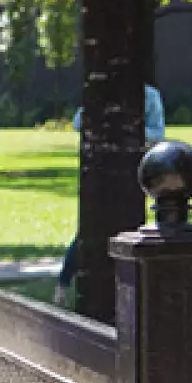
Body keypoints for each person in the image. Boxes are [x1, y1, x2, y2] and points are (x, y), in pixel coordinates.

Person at [54, 84, 166, 306]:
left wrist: (124, 131)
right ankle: (63, 285)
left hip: (133, 174)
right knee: (88, 232)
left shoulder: (149, 96)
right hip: (100, 173)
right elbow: (78, 122)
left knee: (136, 229)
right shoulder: (99, 91)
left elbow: (157, 133)